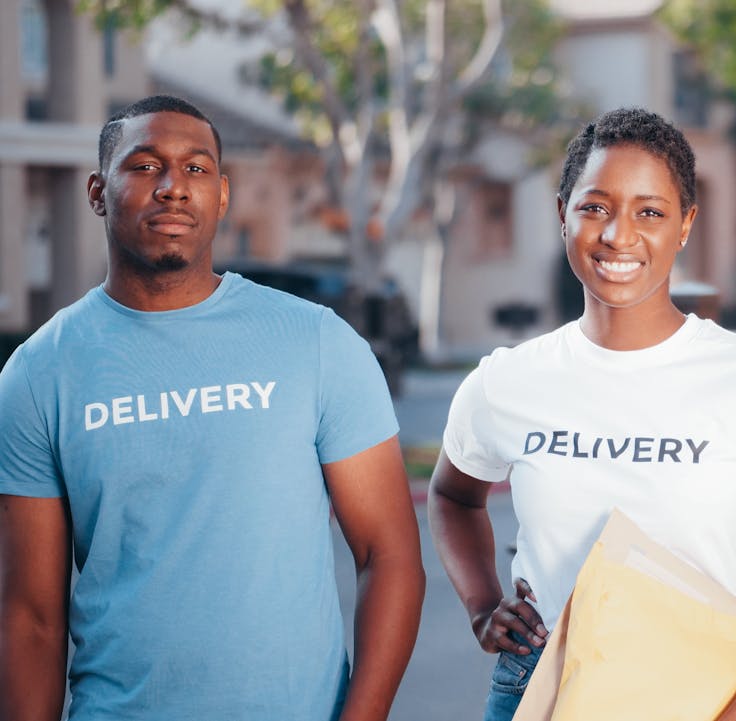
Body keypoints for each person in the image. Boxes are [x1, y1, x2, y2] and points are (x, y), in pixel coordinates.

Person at [0, 95, 426, 721]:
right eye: (145, 166)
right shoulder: (39, 372)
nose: (173, 186)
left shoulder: (317, 343)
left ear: (221, 196)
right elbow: (31, 617)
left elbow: (388, 558)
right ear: (97, 192)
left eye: (196, 169)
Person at [428, 107, 736, 721]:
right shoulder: (507, 381)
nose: (618, 235)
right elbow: (451, 496)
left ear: (685, 225)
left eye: (649, 212)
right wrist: (482, 606)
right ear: (563, 215)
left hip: (705, 693)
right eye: (595, 207)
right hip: (541, 686)